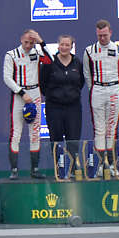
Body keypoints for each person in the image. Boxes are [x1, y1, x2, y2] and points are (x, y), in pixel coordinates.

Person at [85, 19, 119, 178]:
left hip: (114, 90)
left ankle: (111, 164)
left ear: (110, 32)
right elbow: (87, 74)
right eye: (99, 35)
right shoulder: (89, 50)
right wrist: (94, 89)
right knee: (99, 129)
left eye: (105, 35)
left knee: (111, 128)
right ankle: (101, 165)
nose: (102, 38)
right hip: (97, 89)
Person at [38, 31, 86, 176]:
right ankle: (60, 170)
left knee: (73, 139)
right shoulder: (50, 63)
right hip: (54, 107)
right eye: (62, 44)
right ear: (58, 46)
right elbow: (42, 83)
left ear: (72, 47)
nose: (64, 47)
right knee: (56, 139)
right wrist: (54, 96)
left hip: (73, 107)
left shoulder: (77, 63)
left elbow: (81, 83)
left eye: (67, 45)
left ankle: (73, 170)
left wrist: (71, 95)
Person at [2, 30, 46, 177]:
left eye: (31, 43)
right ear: (21, 39)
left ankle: (35, 169)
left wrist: (41, 41)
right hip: (19, 95)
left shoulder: (37, 52)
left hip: (35, 93)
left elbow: (51, 61)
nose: (28, 45)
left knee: (35, 133)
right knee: (16, 133)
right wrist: (22, 93)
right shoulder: (11, 55)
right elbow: (7, 78)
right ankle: (14, 170)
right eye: (26, 42)